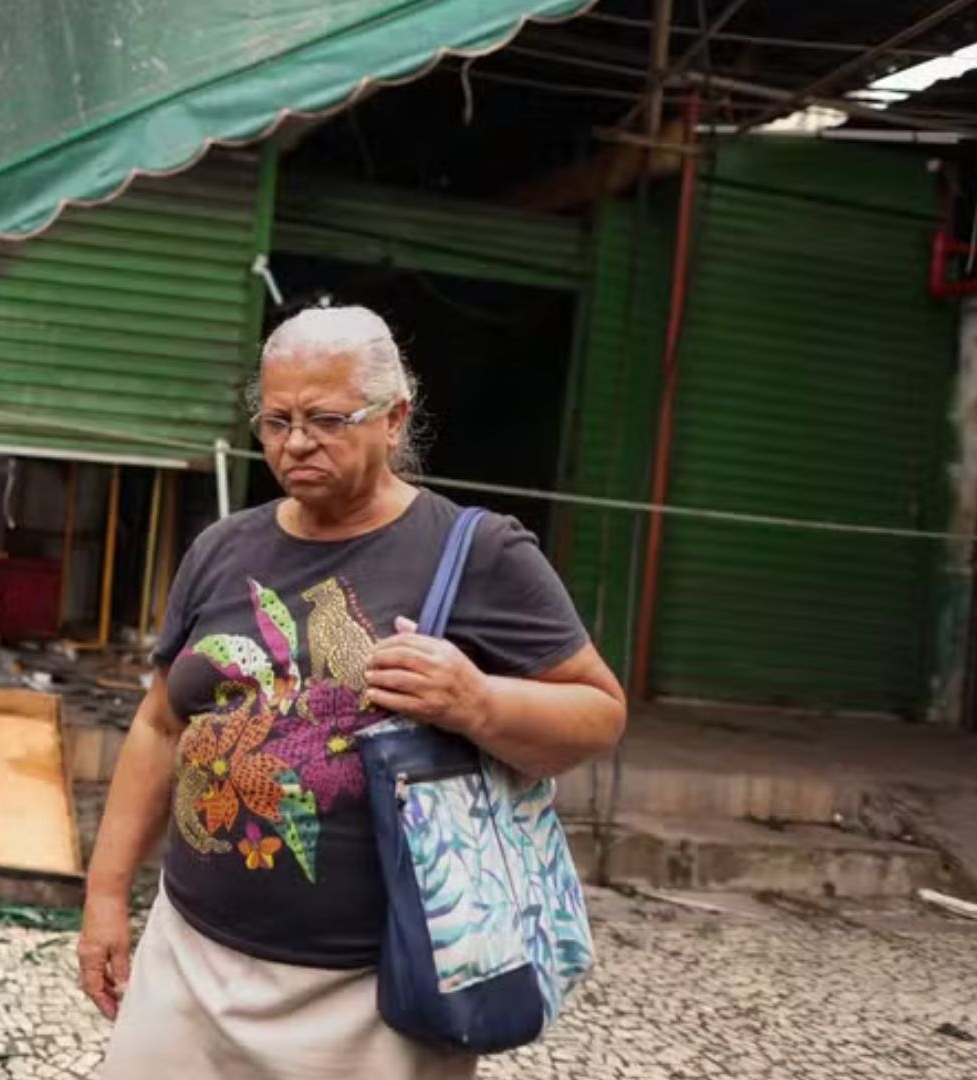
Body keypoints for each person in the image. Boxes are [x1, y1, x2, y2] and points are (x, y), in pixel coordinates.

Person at [79, 305, 627, 1079]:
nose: (296, 443)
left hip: (370, 995)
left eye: (327, 418)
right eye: (275, 421)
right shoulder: (221, 547)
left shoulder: (475, 550)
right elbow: (159, 726)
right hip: (188, 961)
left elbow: (600, 712)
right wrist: (106, 895)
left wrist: (476, 701)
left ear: (395, 417)